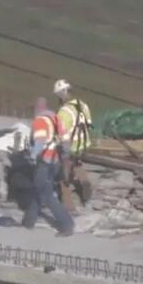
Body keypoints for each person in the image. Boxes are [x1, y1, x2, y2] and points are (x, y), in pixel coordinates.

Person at [22, 97, 74, 237]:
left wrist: (32, 156)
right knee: (39, 190)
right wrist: (64, 156)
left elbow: (39, 141)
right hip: (54, 162)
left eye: (34, 109)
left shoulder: (40, 120)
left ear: (38, 108)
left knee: (47, 194)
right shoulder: (56, 120)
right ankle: (28, 222)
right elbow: (66, 140)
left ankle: (67, 224)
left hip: (44, 162)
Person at [54, 79, 94, 209]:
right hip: (84, 145)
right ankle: (86, 190)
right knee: (77, 164)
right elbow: (89, 124)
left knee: (63, 178)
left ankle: (68, 208)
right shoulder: (84, 105)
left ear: (63, 94)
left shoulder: (64, 112)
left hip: (70, 147)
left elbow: (61, 134)